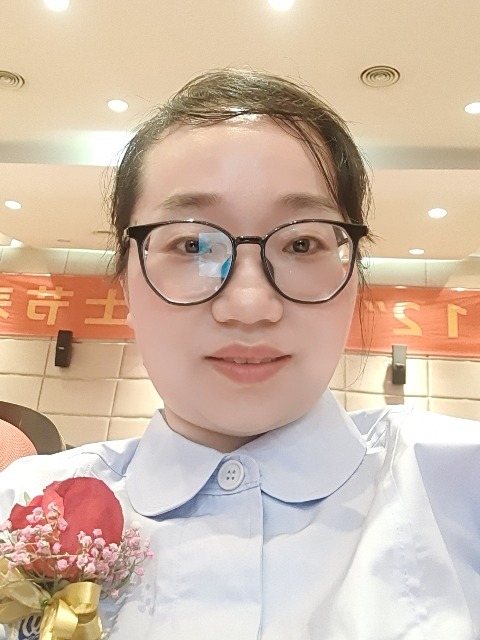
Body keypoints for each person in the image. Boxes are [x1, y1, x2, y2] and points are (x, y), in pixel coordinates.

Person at [1, 68, 479, 639]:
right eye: (191, 244)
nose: (249, 305)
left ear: (353, 278)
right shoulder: (21, 504)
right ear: (125, 284)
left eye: (302, 242)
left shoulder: (459, 484)